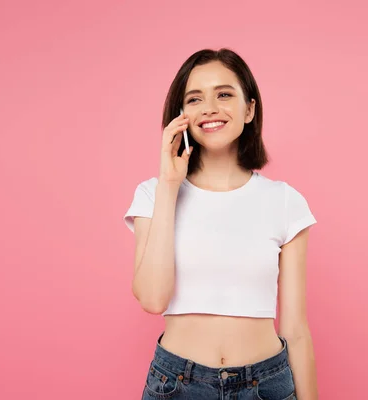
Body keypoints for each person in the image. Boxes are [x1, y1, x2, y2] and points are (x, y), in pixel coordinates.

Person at [124, 48, 319, 400]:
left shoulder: (285, 201)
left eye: (224, 94)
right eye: (195, 98)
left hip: (266, 385)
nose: (210, 107)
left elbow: (296, 330)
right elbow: (153, 298)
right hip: (176, 386)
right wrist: (169, 184)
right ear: (181, 116)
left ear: (250, 109)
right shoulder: (154, 194)